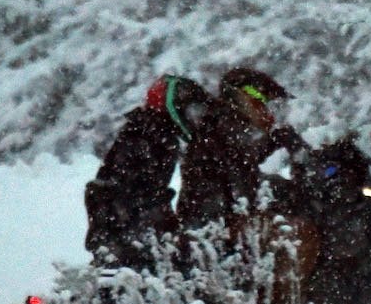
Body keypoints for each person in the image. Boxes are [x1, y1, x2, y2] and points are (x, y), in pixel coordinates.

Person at [84, 74, 213, 269]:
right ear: (174, 106)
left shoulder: (150, 131)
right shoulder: (152, 135)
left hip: (124, 227)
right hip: (128, 231)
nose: (193, 120)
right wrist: (169, 229)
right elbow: (137, 192)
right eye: (190, 111)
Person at [176, 67, 305, 228]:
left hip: (211, 223)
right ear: (242, 97)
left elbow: (242, 162)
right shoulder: (223, 126)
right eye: (262, 101)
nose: (267, 112)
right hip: (212, 230)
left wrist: (275, 141)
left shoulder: (222, 125)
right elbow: (241, 179)